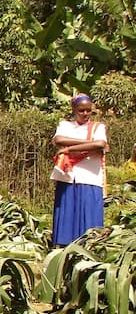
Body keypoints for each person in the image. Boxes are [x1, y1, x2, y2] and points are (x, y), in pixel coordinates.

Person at [51, 94, 109, 246]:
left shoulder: (98, 127)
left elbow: (100, 143)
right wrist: (89, 143)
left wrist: (70, 148)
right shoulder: (65, 125)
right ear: (74, 110)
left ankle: (89, 246)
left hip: (90, 177)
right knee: (67, 212)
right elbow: (59, 140)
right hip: (69, 177)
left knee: (89, 215)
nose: (85, 114)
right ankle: (63, 245)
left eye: (88, 111)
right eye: (81, 110)